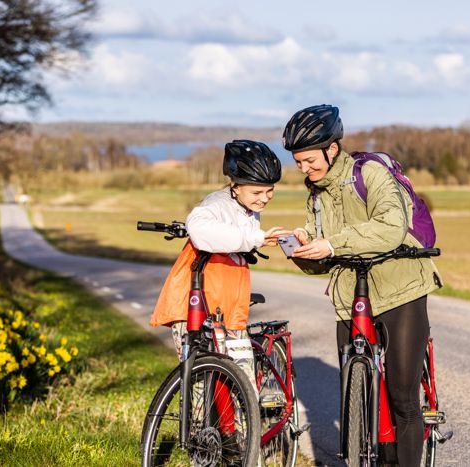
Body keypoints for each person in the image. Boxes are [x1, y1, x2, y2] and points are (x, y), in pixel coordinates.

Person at [282, 105, 442, 467]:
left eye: (309, 160)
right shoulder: (316, 197)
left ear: (332, 149)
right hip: (352, 298)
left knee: (402, 396)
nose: (304, 169)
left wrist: (333, 244)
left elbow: (390, 227)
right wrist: (305, 250)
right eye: (298, 163)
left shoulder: (368, 174)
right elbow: (323, 261)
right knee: (356, 396)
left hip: (401, 289)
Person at [150, 139, 288, 394]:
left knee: (242, 386)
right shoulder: (215, 205)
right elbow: (199, 229)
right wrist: (255, 238)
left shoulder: (247, 207)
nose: (265, 198)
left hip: (227, 305)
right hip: (196, 305)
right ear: (235, 187)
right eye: (257, 192)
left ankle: (245, 433)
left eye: (270, 191)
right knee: (200, 384)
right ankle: (200, 434)